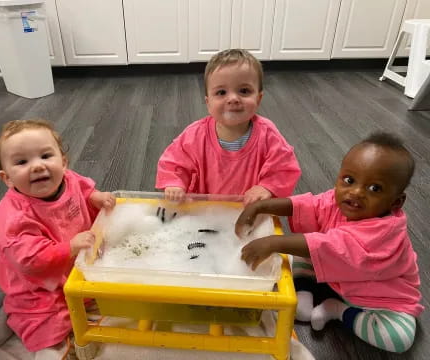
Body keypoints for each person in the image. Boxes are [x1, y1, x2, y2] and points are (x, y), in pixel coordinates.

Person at [235, 132, 423, 353]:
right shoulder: (339, 201)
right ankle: (305, 289)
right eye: (349, 180)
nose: (355, 192)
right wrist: (260, 207)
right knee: (299, 253)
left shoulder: (385, 232)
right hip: (341, 276)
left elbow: (333, 247)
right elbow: (306, 206)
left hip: (378, 297)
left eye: (374, 189)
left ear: (396, 201)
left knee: (398, 340)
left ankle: (338, 310)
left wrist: (273, 242)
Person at [0, 119, 115, 357]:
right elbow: (28, 259)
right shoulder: (13, 217)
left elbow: (83, 188)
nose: (37, 166)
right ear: (7, 178)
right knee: (48, 323)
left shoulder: (68, 179)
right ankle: (18, 322)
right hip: (40, 285)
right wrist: (68, 247)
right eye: (22, 162)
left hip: (73, 267)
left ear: (64, 163)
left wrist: (95, 197)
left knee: (103, 296)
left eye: (46, 156)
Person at [155, 49, 301, 204]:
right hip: (204, 212)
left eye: (244, 91)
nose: (233, 98)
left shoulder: (268, 135)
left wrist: (267, 187)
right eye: (221, 92)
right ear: (208, 102)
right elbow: (173, 162)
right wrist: (175, 184)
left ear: (258, 99)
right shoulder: (195, 135)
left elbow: (284, 168)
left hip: (249, 212)